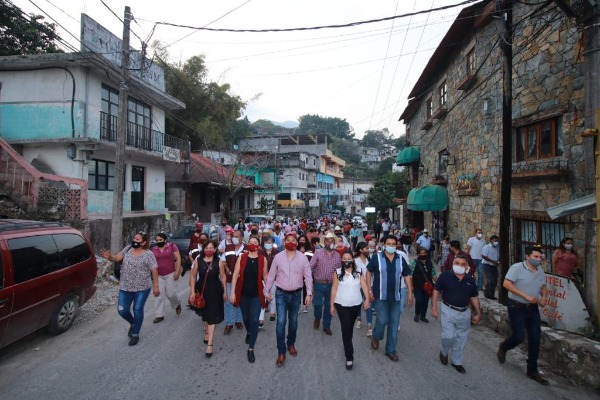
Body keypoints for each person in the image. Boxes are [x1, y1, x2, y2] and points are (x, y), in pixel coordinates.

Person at [497, 246, 549, 385]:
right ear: (527, 256)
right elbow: (506, 284)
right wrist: (526, 296)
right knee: (519, 336)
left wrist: (544, 297)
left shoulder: (540, 271)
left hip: (532, 308)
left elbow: (543, 286)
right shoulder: (517, 268)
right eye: (535, 257)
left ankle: (532, 370)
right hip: (517, 306)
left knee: (535, 338)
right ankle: (504, 347)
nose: (538, 259)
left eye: (540, 257)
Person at [100, 232, 159, 346]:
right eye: (134, 238)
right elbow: (117, 258)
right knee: (122, 310)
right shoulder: (128, 249)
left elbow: (154, 269)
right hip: (125, 287)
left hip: (142, 288)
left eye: (137, 239)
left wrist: (156, 286)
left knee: (137, 309)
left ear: (143, 242)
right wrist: (110, 257)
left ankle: (135, 334)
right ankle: (133, 323)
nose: (134, 240)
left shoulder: (149, 254)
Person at [264, 232, 313, 367]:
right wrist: (266, 291)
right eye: (288, 240)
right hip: (281, 294)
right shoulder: (278, 257)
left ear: (297, 243)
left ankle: (291, 344)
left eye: (293, 240)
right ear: (284, 242)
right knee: (280, 322)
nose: (291, 242)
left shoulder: (302, 258)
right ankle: (281, 351)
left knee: (293, 322)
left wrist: (309, 293)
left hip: (296, 295)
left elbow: (308, 276)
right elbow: (271, 275)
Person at [366, 235, 414, 362]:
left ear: (396, 245)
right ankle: (376, 335)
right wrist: (369, 290)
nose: (391, 246)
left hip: (395, 297)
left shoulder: (400, 259)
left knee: (394, 323)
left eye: (393, 244)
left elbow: (407, 275)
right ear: (384, 245)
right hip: (380, 296)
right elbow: (368, 272)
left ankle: (391, 350)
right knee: (382, 320)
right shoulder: (376, 258)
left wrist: (410, 293)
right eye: (389, 244)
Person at [431, 254, 481, 373]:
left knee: (461, 338)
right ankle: (444, 351)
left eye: (463, 264)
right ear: (453, 263)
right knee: (449, 336)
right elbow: (436, 291)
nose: (460, 266)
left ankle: (457, 361)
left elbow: (474, 297)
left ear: (467, 266)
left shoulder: (470, 280)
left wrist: (478, 313)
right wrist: (434, 307)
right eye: (457, 263)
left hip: (464, 312)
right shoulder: (445, 276)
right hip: (448, 310)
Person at [229, 237, 269, 363]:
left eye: (255, 243)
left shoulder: (263, 259)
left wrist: (268, 291)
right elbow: (235, 275)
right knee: (246, 318)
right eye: (250, 242)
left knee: (254, 320)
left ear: (259, 246)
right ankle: (250, 332)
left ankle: (251, 349)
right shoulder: (242, 257)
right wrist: (232, 293)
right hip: (243, 294)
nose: (252, 244)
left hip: (257, 295)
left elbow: (265, 276)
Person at [330, 251, 370, 370]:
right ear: (341, 260)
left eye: (349, 258)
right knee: (346, 328)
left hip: (355, 305)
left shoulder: (358, 272)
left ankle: (347, 342)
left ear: (353, 260)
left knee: (349, 329)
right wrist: (331, 305)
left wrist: (367, 299)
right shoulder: (337, 273)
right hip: (341, 305)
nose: (346, 261)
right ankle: (349, 356)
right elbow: (334, 289)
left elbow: (364, 286)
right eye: (344, 258)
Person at [188, 240, 226, 358]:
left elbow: (223, 276)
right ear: (203, 249)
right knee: (205, 313)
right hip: (202, 290)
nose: (208, 250)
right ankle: (206, 331)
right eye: (206, 248)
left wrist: (225, 291)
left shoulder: (219, 261)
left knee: (212, 316)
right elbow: (193, 276)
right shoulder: (198, 260)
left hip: (215, 291)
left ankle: (210, 343)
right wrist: (192, 292)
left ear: (215, 249)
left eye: (211, 248)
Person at [310, 232, 342, 336]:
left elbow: (339, 271)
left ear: (334, 242)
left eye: (331, 241)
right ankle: (317, 317)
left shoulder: (337, 255)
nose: (329, 243)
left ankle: (326, 326)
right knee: (317, 304)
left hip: (331, 285)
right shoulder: (318, 253)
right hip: (318, 284)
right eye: (327, 241)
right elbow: (310, 266)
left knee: (329, 306)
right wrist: (309, 281)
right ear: (324, 242)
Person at [151, 232, 182, 323]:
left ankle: (176, 304)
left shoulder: (172, 246)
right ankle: (159, 315)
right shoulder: (154, 249)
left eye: (160, 240)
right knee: (159, 295)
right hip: (158, 275)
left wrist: (177, 271)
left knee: (170, 293)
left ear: (165, 240)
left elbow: (178, 258)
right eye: (157, 240)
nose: (158, 241)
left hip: (170, 273)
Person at [219, 229, 245, 334]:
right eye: (233, 236)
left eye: (236, 236)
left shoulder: (247, 249)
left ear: (242, 238)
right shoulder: (228, 248)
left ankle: (238, 320)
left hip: (242, 280)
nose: (234, 238)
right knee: (229, 300)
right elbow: (222, 261)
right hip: (229, 279)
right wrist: (225, 267)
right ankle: (229, 323)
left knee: (240, 300)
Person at [410, 246, 437, 323]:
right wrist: (411, 286)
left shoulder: (429, 262)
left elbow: (433, 274)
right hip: (417, 286)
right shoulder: (414, 263)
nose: (423, 254)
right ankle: (417, 313)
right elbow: (410, 276)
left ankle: (423, 316)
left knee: (425, 301)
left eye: (424, 253)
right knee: (419, 300)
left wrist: (438, 285)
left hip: (428, 286)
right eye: (421, 253)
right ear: (418, 254)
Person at [259, 234, 279, 325]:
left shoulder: (277, 253)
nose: (268, 244)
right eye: (266, 242)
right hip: (262, 278)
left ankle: (272, 313)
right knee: (262, 297)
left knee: (272, 296)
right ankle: (261, 318)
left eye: (270, 242)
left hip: (274, 279)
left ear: (273, 243)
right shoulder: (260, 253)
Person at [353, 242, 370, 331]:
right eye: (366, 248)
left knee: (368, 302)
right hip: (358, 286)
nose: (368, 250)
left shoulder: (370, 259)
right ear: (361, 250)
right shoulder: (355, 261)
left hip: (369, 285)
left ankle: (369, 323)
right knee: (358, 302)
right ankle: (359, 319)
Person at [481, 235, 500, 299]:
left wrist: (497, 262)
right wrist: (493, 261)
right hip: (487, 265)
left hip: (494, 266)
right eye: (495, 241)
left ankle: (491, 294)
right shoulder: (486, 247)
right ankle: (488, 294)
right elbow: (484, 256)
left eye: (497, 241)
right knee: (491, 280)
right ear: (491, 240)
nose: (496, 242)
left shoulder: (498, 248)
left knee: (495, 281)